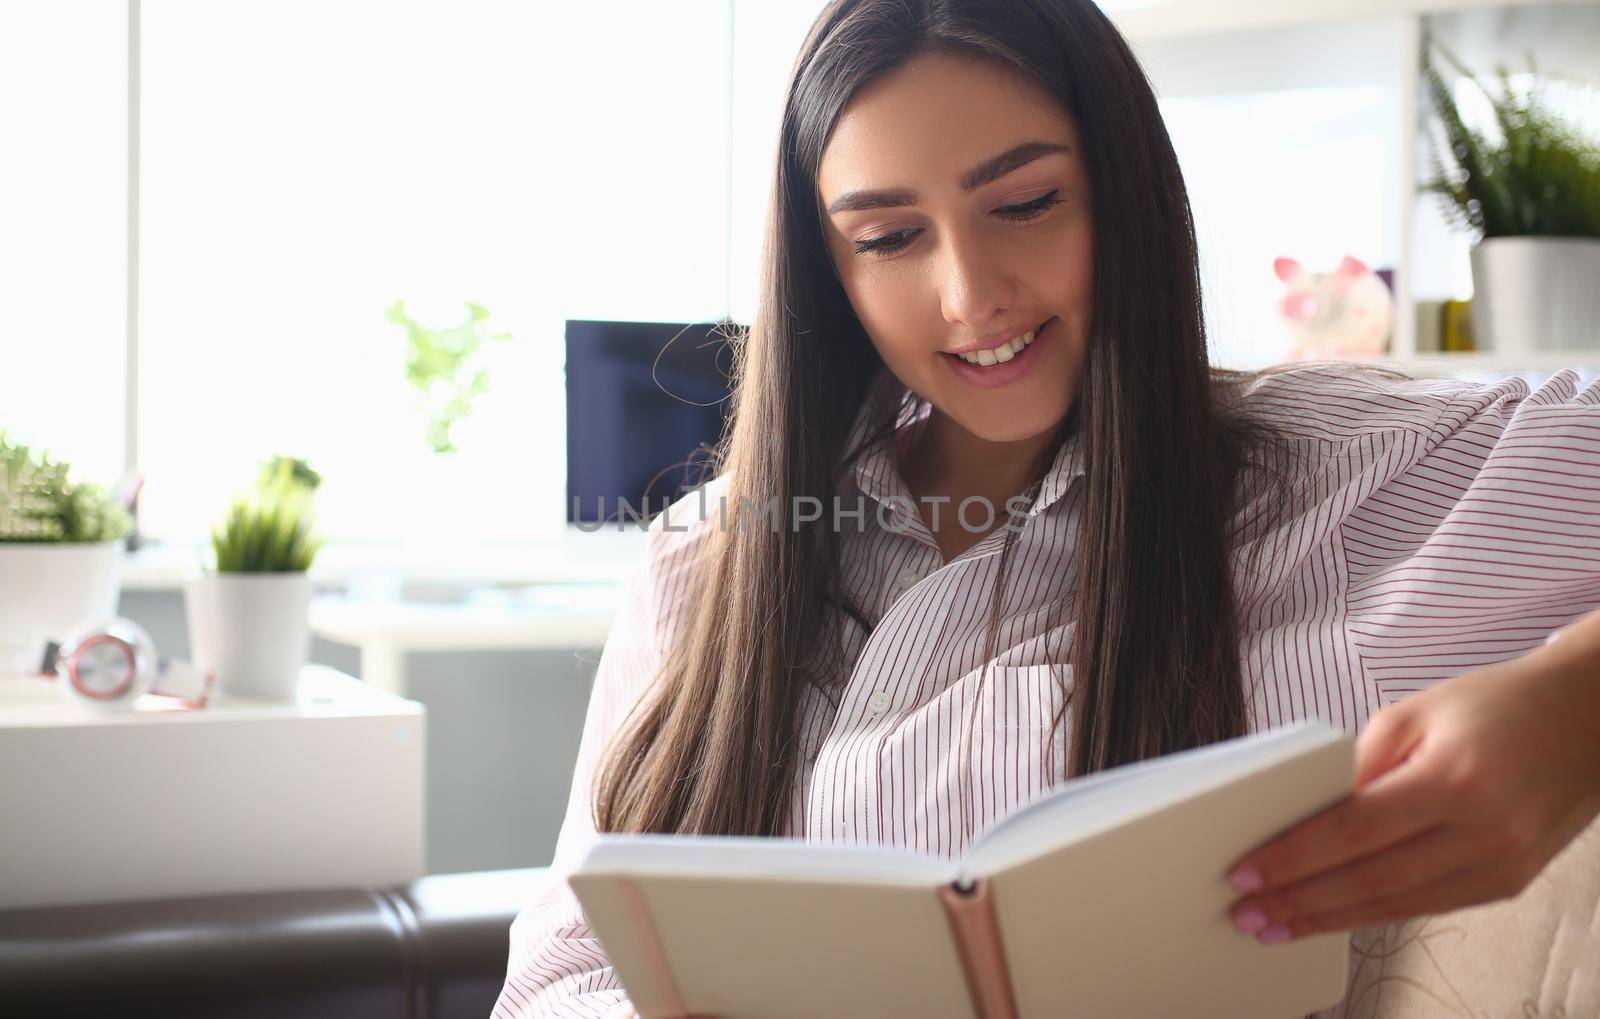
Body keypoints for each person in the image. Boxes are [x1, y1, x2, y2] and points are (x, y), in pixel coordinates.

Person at [493, 1, 1600, 1016]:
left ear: (1123, 190)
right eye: (887, 238)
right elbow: (561, 975)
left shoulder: (1341, 479)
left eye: (1024, 204)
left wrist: (1572, 705)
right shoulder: (707, 563)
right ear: (829, 273)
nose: (972, 293)